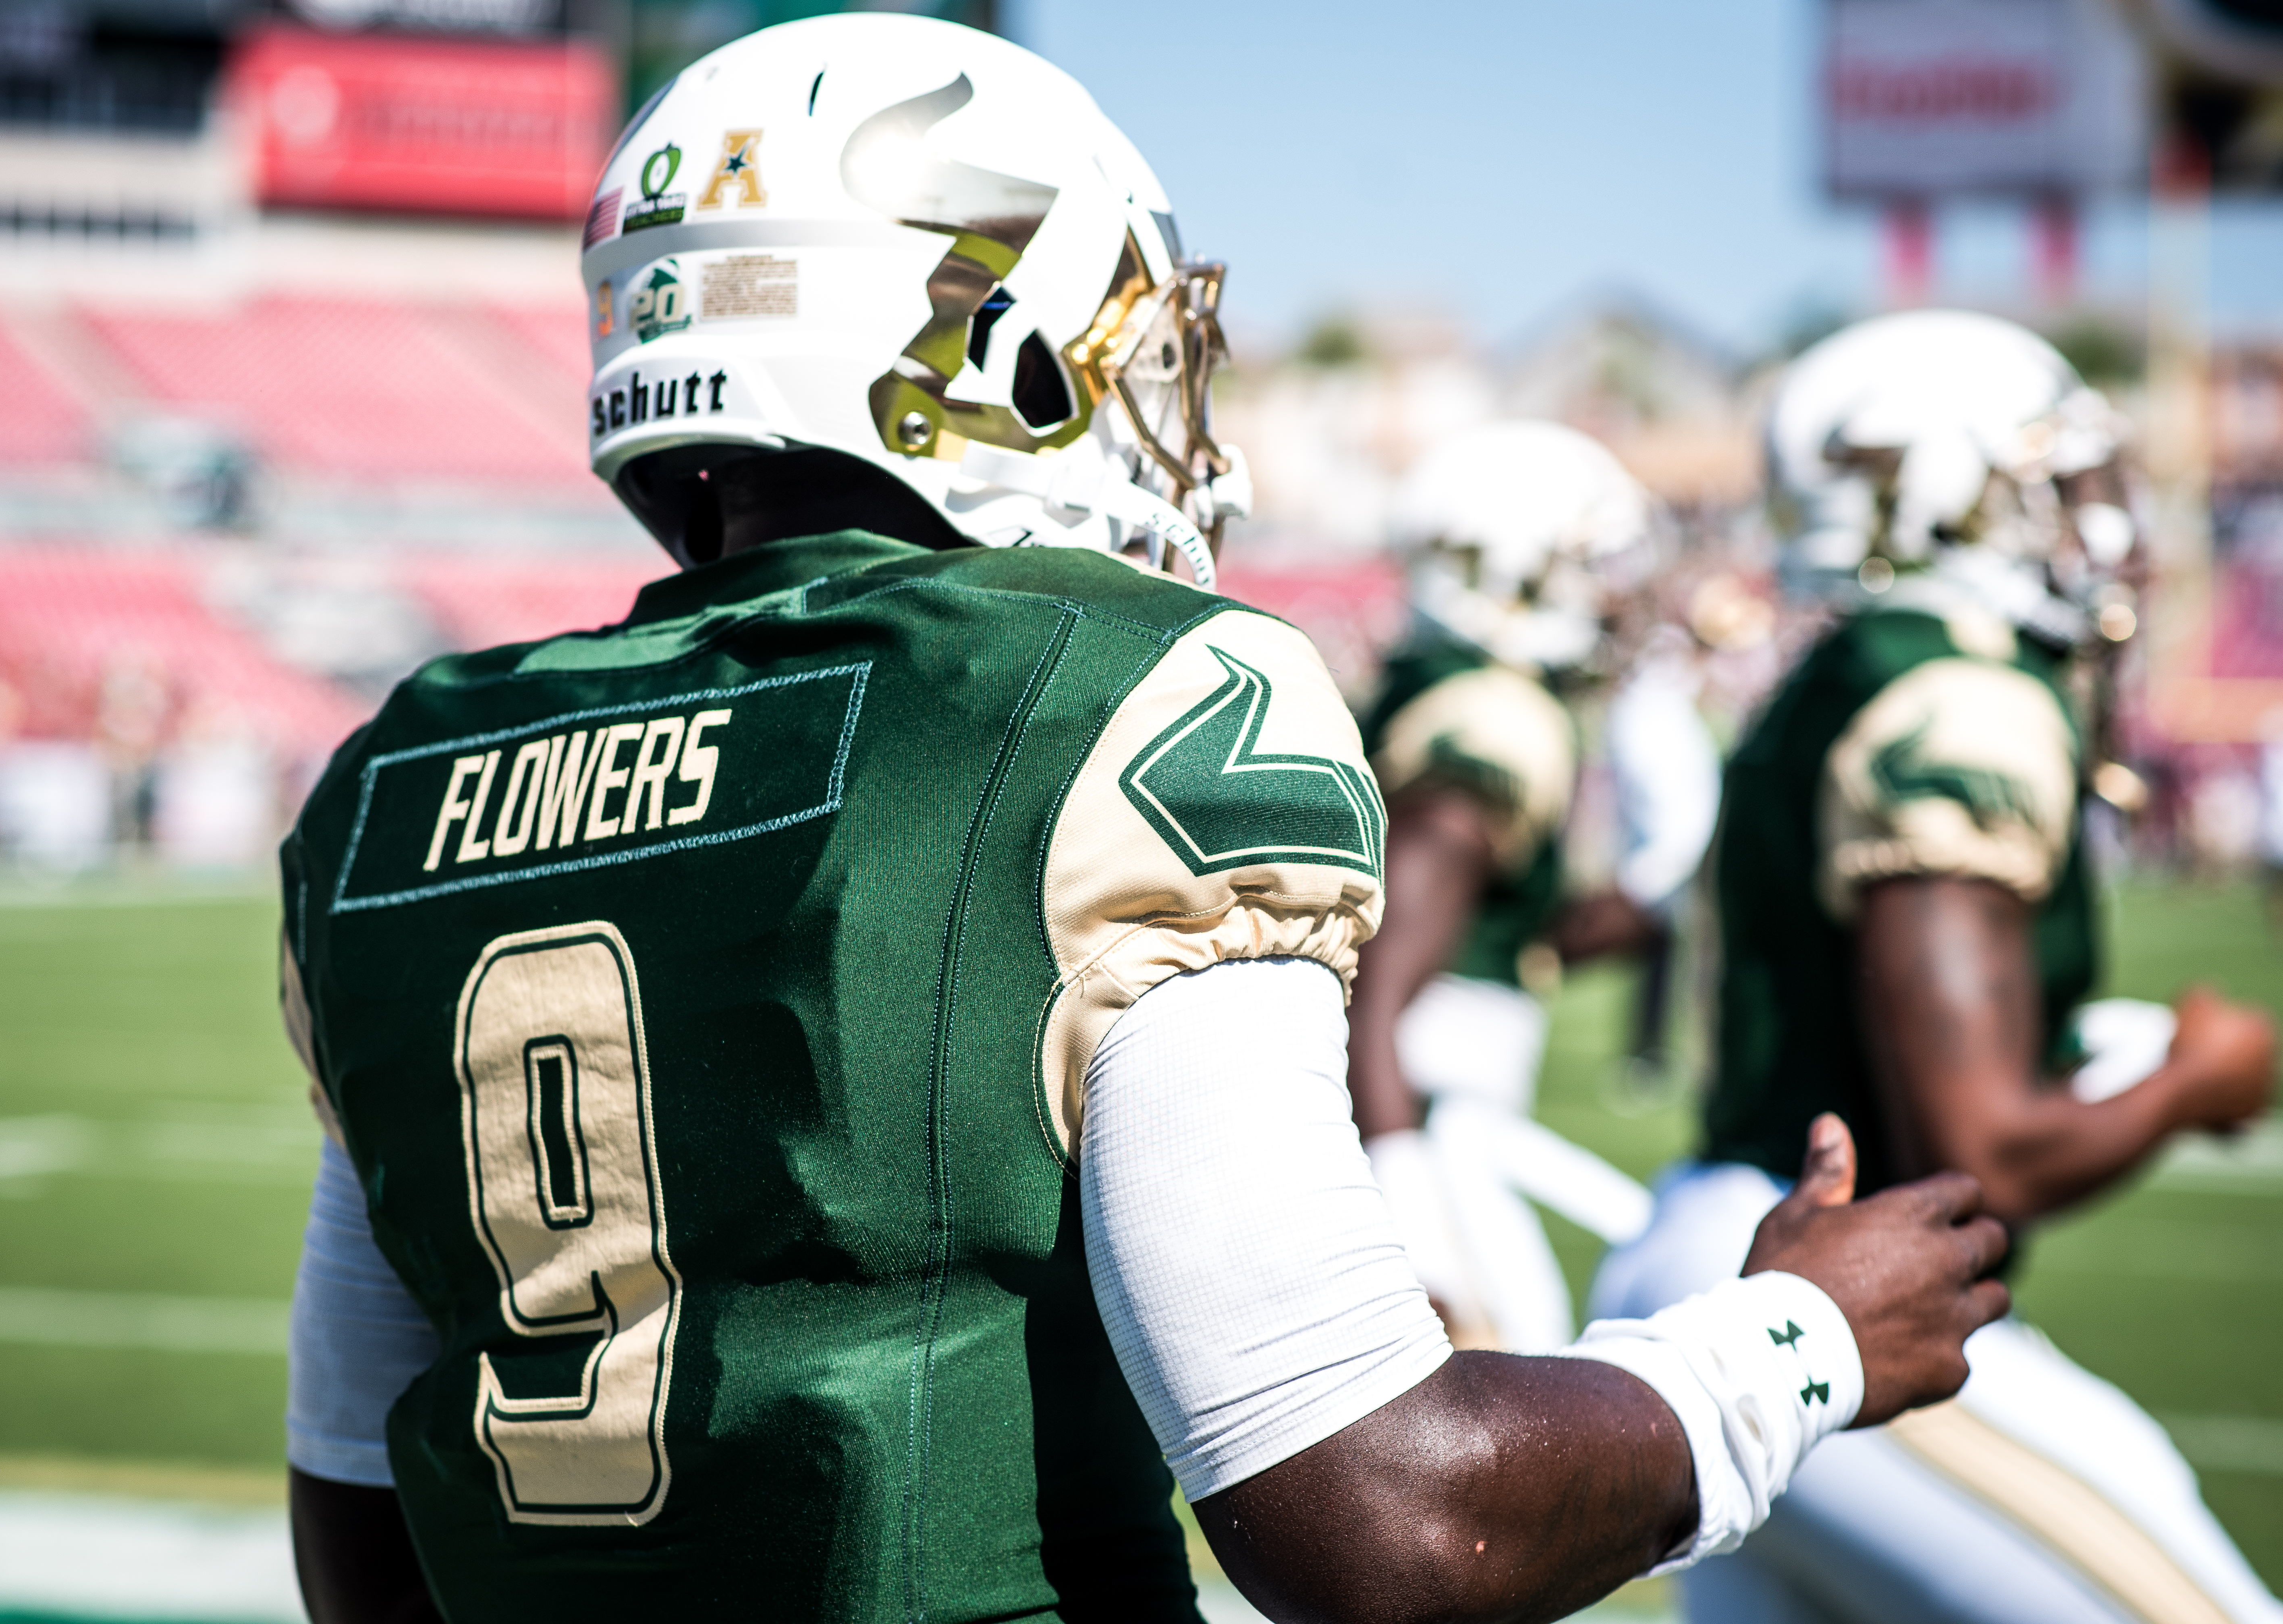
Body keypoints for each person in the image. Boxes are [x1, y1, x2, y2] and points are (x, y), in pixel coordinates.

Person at [277, 23, 2009, 1623]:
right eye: (1119, 329)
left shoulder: (393, 778)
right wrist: (1790, 1342)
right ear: (987, 343)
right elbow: (1378, 1513)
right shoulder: (1120, 692)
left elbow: (359, 1517)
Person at [1590, 309, 2283, 1624]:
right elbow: (1983, 1148)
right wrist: (2195, 1080)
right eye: (2056, 483)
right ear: (1949, 495)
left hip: (1749, 1257)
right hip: (1827, 1301)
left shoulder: (1844, 672)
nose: (2103, 522)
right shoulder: (1954, 697)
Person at [1349, 421, 1704, 1352]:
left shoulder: (1451, 692)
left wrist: (1645, 891)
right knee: (1516, 1379)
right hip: (1416, 1117)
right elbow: (1375, 995)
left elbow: (1498, 934)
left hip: (1427, 1106)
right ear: (1506, 570)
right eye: (1584, 564)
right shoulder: (1492, 722)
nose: (1611, 596)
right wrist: (1415, 1221)